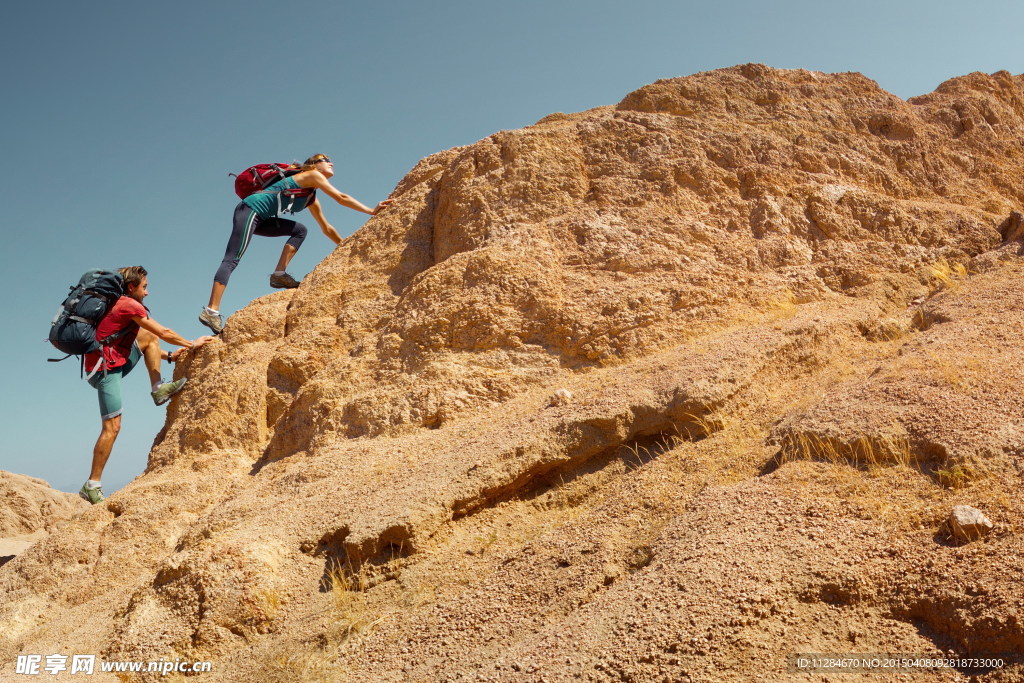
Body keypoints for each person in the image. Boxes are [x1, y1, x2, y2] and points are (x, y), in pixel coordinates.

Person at [199, 153, 392, 334]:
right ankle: (211, 311)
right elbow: (341, 198)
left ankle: (278, 275)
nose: (331, 163)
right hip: (250, 209)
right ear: (314, 164)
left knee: (300, 230)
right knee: (232, 259)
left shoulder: (311, 197)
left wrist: (345, 246)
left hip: (264, 219)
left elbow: (326, 228)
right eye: (325, 159)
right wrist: (371, 211)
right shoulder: (312, 175)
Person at [79, 266, 214, 504]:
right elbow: (163, 331)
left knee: (147, 337)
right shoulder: (129, 305)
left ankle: (158, 388)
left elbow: (145, 341)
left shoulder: (117, 304)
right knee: (113, 428)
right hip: (105, 371)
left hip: (108, 361)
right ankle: (92, 484)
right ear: (131, 287)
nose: (147, 292)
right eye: (144, 287)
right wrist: (192, 344)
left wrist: (170, 356)